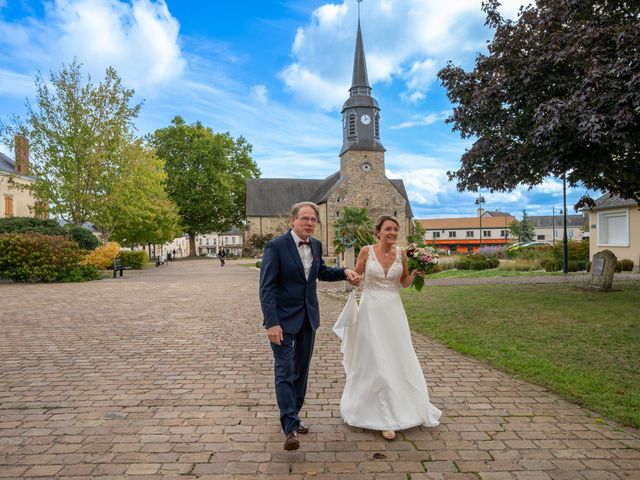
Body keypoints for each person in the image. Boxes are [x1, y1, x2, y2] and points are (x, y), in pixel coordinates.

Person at [259, 201, 361, 451]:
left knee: (301, 370)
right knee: (284, 370)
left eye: (313, 219)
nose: (309, 223)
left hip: (308, 318)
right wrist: (272, 322)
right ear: (293, 221)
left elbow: (320, 272)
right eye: (305, 219)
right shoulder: (276, 247)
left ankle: (294, 413)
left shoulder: (315, 245)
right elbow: (267, 288)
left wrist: (345, 271)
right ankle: (290, 427)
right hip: (282, 321)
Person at [334, 215, 441, 441]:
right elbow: (356, 276)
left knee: (397, 356)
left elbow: (402, 282)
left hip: (393, 311)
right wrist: (353, 278)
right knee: (375, 358)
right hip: (370, 311)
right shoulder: (366, 251)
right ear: (378, 231)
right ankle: (381, 416)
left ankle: (401, 408)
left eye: (395, 229)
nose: (392, 233)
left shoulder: (402, 254)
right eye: (388, 229)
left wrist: (416, 273)